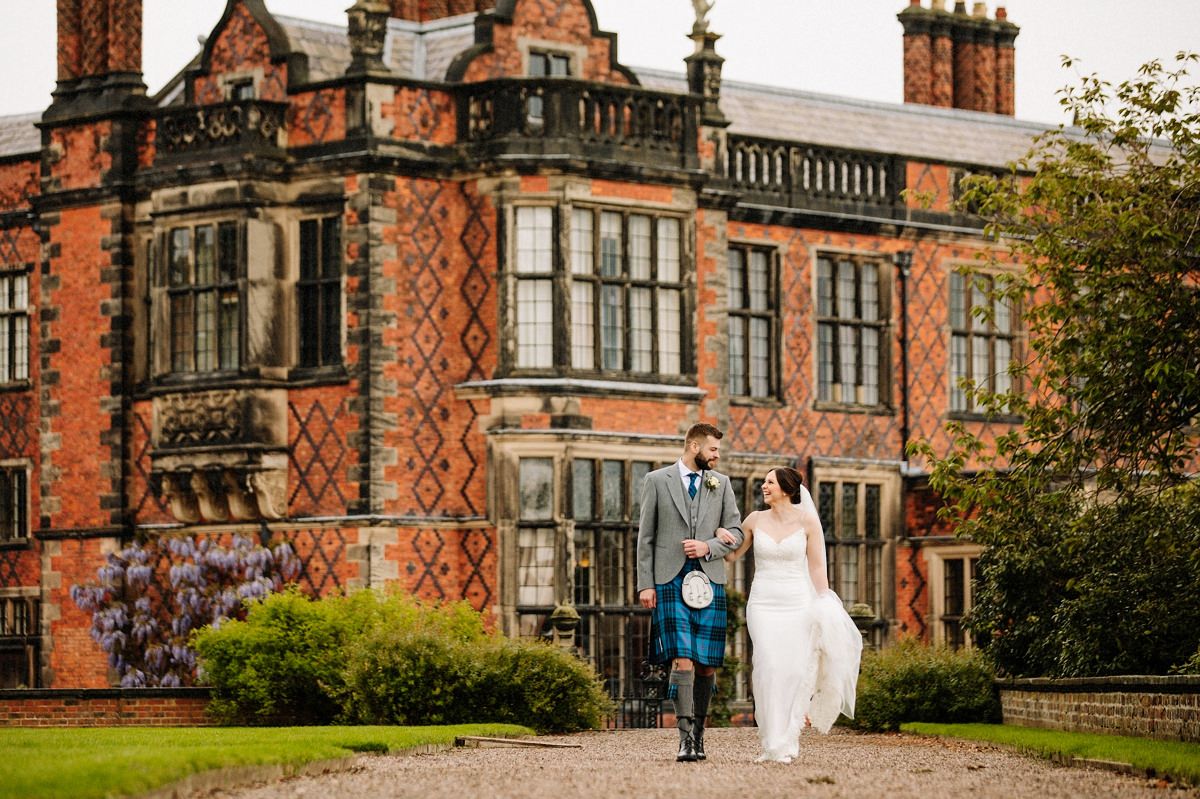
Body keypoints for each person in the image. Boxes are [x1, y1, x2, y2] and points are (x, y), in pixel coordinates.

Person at [719, 466, 862, 763]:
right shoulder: (754, 520)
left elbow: (817, 567)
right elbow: (733, 555)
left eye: (769, 482)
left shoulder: (808, 521)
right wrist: (721, 535)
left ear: (786, 489)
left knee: (795, 670)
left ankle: (787, 741)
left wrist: (823, 601)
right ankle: (770, 742)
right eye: (764, 482)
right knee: (768, 666)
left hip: (798, 602)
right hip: (762, 603)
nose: (763, 486)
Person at [636, 423, 744, 762]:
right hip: (669, 579)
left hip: (709, 580)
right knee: (682, 657)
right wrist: (645, 583)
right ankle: (684, 739)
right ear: (694, 445)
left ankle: (699, 734)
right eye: (712, 449)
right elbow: (646, 538)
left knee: (707, 664)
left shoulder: (721, 483)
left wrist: (708, 546)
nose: (716, 456)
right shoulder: (657, 481)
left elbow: (737, 533)